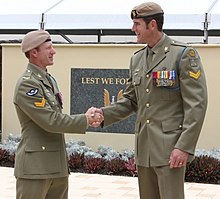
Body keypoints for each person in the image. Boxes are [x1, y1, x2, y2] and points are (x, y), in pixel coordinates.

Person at [93, 2, 208, 199]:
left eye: (137, 24)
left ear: (152, 24)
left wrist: (184, 146)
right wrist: (105, 114)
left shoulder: (182, 55)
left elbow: (196, 105)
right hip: (144, 148)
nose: (133, 29)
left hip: (170, 150)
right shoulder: (137, 59)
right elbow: (131, 100)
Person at [13, 30, 103, 199]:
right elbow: (51, 121)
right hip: (36, 169)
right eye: (48, 48)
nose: (53, 51)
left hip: (56, 165)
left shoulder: (48, 80)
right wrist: (85, 119)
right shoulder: (27, 85)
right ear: (34, 53)